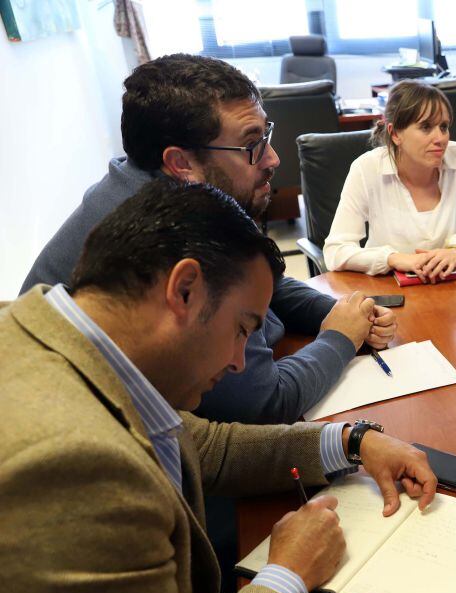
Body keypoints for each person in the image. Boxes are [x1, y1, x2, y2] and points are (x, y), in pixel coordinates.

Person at [0, 180, 438, 593]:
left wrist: (350, 440)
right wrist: (288, 578)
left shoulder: (50, 334)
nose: (238, 361)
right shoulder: (72, 469)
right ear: (184, 290)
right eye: (242, 329)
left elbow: (201, 443)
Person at [20, 53, 394, 425]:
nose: (273, 158)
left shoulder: (188, 189)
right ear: (181, 163)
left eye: (266, 134)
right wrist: (340, 337)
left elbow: (264, 283)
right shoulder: (167, 236)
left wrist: (334, 312)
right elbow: (263, 402)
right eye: (252, 144)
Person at [323, 80, 456, 280]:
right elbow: (335, 251)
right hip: (388, 291)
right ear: (394, 134)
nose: (440, 138)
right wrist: (393, 258)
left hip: (452, 287)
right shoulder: (366, 169)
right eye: (426, 127)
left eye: (443, 127)